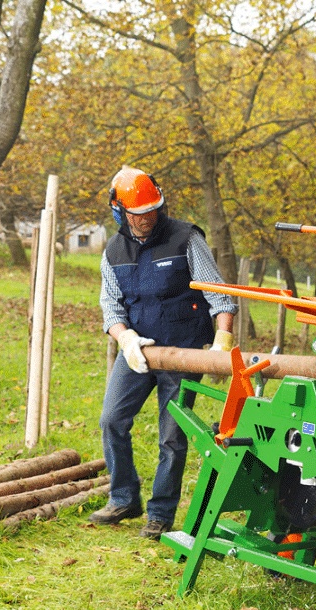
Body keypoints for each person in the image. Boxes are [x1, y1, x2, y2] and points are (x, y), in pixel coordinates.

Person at [91, 166, 237, 539]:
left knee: (172, 435)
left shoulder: (186, 238)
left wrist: (221, 341)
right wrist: (125, 339)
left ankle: (160, 513)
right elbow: (111, 306)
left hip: (183, 351)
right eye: (137, 214)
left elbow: (218, 294)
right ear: (120, 211)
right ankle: (124, 497)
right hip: (139, 350)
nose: (145, 219)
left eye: (151, 210)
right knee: (111, 420)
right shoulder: (113, 251)